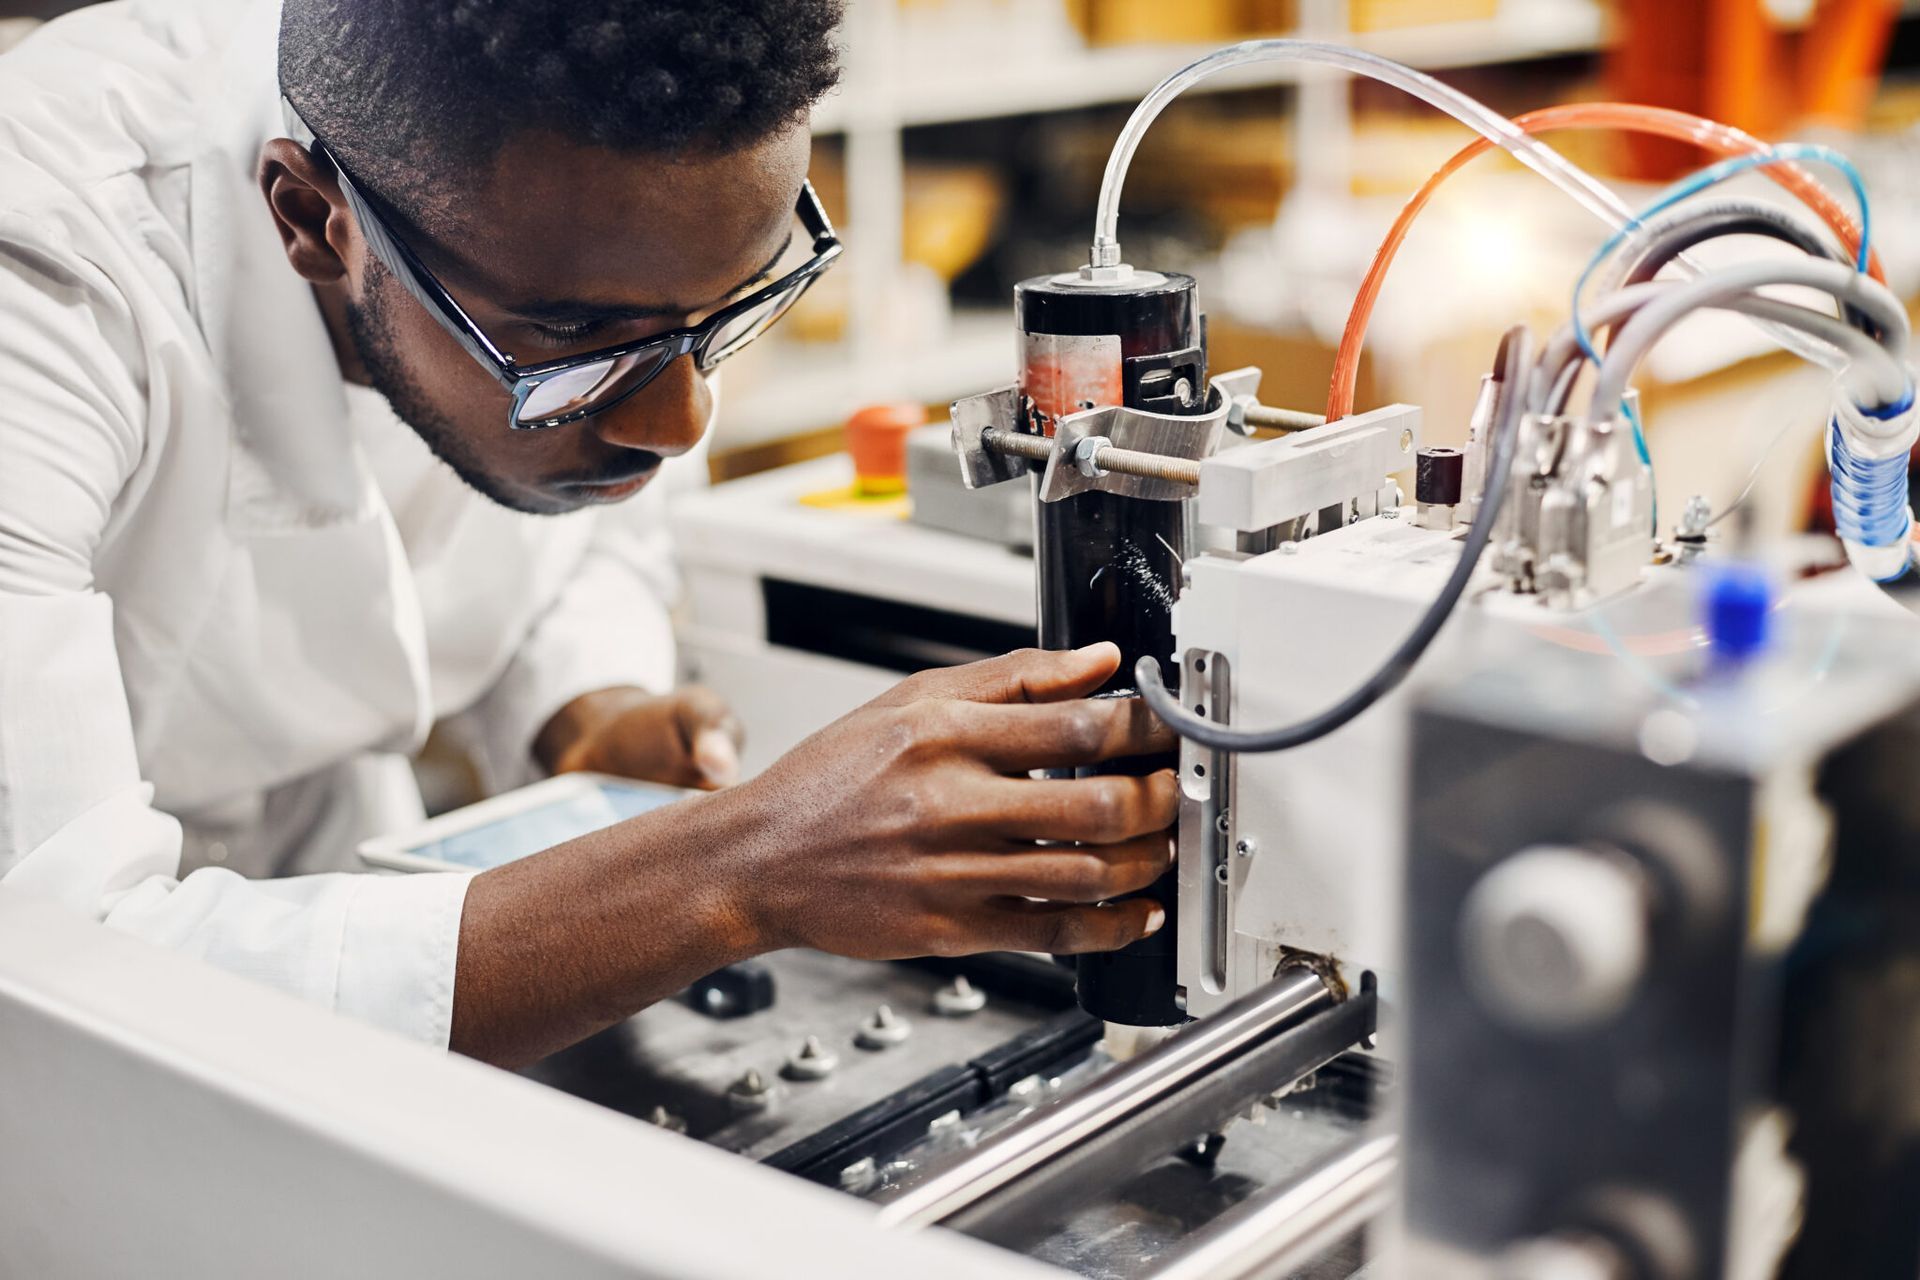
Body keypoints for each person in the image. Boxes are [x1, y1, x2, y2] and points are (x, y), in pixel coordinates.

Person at [0, 0, 1175, 1068]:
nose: (680, 421)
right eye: (583, 342)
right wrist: (741, 868)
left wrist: (588, 703)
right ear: (312, 220)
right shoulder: (48, 275)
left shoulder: (590, 227)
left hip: (335, 893)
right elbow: (55, 973)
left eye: (726, 312)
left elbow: (586, 537)